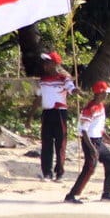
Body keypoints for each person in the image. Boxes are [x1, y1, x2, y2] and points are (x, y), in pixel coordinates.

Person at [65, 81, 110, 204]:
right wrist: (92, 148)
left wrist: (108, 138)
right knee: (89, 168)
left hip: (98, 141)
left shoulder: (101, 106)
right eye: (105, 93)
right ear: (100, 93)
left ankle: (107, 194)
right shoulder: (89, 109)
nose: (106, 95)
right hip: (90, 141)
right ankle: (71, 195)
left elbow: (99, 126)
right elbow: (83, 131)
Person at [31, 51, 77, 181]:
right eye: (45, 62)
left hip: (59, 112)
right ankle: (47, 172)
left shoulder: (64, 78)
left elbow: (71, 88)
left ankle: (59, 172)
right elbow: (38, 98)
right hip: (47, 113)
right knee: (46, 143)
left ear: (55, 64)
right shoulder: (43, 80)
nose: (45, 65)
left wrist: (75, 90)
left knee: (60, 143)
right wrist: (30, 116)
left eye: (48, 62)